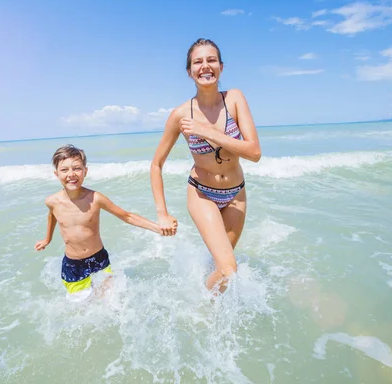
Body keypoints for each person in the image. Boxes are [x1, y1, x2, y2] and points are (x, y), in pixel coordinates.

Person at [150, 38, 261, 294]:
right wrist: (162, 213)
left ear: (221, 66)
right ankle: (203, 304)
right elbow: (156, 164)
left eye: (211, 60)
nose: (205, 66)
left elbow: (254, 152)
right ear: (189, 71)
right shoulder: (180, 115)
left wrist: (206, 131)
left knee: (220, 265)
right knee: (229, 269)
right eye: (197, 62)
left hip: (236, 196)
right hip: (202, 193)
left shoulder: (234, 99)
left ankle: (211, 306)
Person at [35, 144, 172, 299]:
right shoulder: (52, 201)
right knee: (83, 309)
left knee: (109, 302)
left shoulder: (95, 199)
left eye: (77, 168)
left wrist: (157, 228)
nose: (71, 174)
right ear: (56, 174)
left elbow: (126, 216)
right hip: (73, 266)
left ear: (85, 171)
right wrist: (47, 239)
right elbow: (52, 216)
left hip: (99, 259)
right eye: (64, 170)